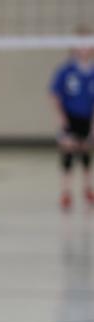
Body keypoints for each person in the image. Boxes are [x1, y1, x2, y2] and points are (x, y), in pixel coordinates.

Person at [50, 25, 94, 211]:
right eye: (80, 43)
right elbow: (54, 94)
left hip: (88, 118)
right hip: (70, 118)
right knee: (67, 153)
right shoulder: (66, 70)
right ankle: (66, 192)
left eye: (87, 43)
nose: (83, 47)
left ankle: (88, 188)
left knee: (87, 153)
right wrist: (62, 119)